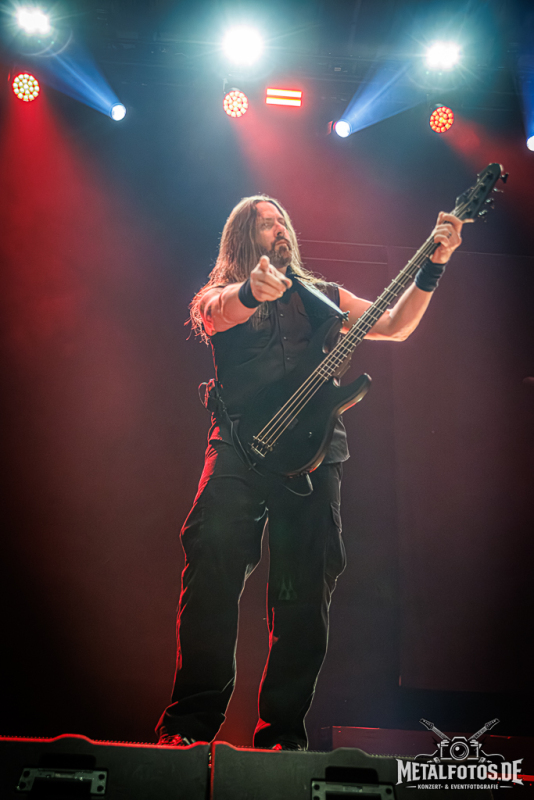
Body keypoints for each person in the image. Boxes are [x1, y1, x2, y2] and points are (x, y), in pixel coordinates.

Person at [156, 195, 465, 750]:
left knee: (303, 593)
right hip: (238, 448)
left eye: (283, 221)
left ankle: (282, 736)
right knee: (211, 572)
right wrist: (252, 291)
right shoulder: (220, 294)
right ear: (243, 239)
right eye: (265, 222)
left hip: (314, 453)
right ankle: (187, 727)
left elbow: (394, 325)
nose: (280, 227)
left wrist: (434, 266)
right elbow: (220, 310)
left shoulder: (324, 297)